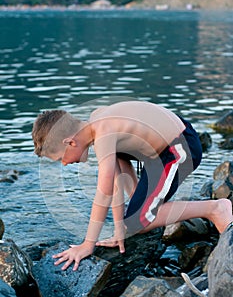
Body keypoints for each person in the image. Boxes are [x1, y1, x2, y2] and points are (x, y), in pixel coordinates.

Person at [32, 100, 233, 271]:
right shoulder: (96, 120)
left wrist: (88, 244)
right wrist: (119, 226)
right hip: (166, 145)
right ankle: (144, 212)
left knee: (137, 223)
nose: (65, 163)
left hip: (179, 148)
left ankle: (214, 209)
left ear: (70, 142)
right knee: (131, 219)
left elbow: (104, 193)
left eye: (61, 158)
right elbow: (118, 177)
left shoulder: (103, 133)